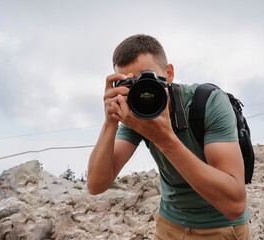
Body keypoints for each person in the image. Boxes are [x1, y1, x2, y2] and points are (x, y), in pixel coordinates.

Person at [87, 34, 251, 239]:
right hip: (168, 225)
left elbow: (234, 205)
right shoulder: (135, 113)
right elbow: (96, 185)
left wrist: (165, 139)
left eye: (147, 78)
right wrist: (110, 122)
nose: (142, 91)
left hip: (221, 227)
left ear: (169, 73)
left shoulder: (209, 103)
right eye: (131, 83)